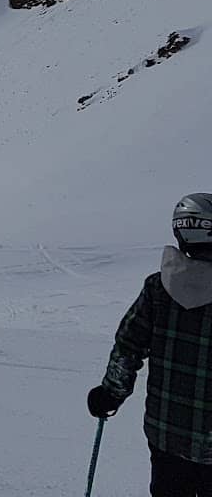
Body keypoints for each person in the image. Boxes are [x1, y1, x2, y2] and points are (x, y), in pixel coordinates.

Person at [88, 194, 212, 494]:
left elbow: (128, 347)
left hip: (166, 435)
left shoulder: (159, 287)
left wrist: (110, 394)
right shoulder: (157, 288)